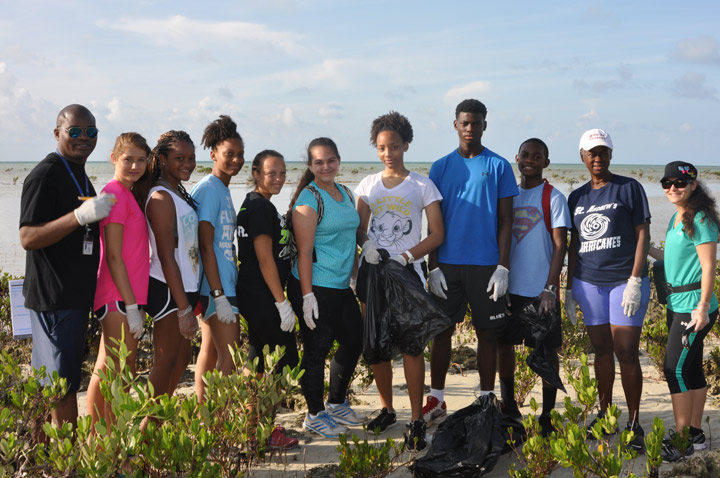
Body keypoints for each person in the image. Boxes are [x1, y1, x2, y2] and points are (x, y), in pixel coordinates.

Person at [19, 104, 115, 426]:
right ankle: (68, 461)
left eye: (91, 132)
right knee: (61, 387)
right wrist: (77, 217)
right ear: (57, 133)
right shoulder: (45, 174)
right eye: (75, 131)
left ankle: (42, 457)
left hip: (74, 300)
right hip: (53, 299)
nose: (83, 138)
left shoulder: (78, 173)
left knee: (56, 382)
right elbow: (28, 236)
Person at [425, 99, 518, 424]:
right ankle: (436, 399)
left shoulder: (499, 166)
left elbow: (507, 220)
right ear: (455, 125)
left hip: (486, 265)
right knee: (441, 330)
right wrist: (432, 265)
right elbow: (432, 221)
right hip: (448, 264)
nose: (470, 128)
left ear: (484, 126)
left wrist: (503, 266)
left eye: (476, 123)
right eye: (464, 123)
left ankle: (485, 397)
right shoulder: (440, 167)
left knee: (488, 333)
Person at [354, 111, 444, 450]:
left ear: (406, 145)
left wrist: (408, 256)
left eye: (394, 146)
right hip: (374, 271)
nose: (388, 153)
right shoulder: (368, 185)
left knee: (411, 344)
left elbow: (437, 234)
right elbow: (360, 229)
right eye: (381, 147)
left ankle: (417, 418)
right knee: (376, 344)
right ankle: (387, 409)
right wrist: (368, 245)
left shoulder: (422, 185)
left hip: (406, 273)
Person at [564, 128, 650, 451]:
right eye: (591, 153)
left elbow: (643, 235)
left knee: (626, 350)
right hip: (588, 283)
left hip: (623, 282)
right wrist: (570, 288)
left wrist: (635, 280)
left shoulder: (629, 189)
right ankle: (605, 415)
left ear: (611, 155)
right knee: (601, 351)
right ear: (583, 158)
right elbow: (573, 246)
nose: (597, 158)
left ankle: (635, 423)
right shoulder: (577, 197)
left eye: (602, 152)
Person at [286, 137, 366, 438]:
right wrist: (307, 297)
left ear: (339, 160)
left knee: (354, 339)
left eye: (330, 160)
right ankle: (315, 414)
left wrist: (356, 272)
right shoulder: (308, 200)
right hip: (314, 284)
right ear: (310, 166)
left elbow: (350, 236)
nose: (325, 166)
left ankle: (336, 402)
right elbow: (305, 252)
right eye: (318, 162)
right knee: (316, 349)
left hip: (340, 284)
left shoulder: (345, 192)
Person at [495, 138, 570, 435]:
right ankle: (509, 405)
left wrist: (550, 289)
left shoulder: (553, 197)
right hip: (510, 289)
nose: (530, 160)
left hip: (541, 293)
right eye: (525, 155)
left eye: (537, 156)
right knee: (504, 345)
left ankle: (547, 416)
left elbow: (560, 246)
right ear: (517, 158)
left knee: (548, 353)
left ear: (546, 162)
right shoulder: (508, 197)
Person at [648, 162, 718, 463]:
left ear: (693, 185)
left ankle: (680, 442)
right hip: (676, 305)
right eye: (667, 183)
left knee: (673, 369)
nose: (673, 188)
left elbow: (708, 266)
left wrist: (702, 308)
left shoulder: (700, 218)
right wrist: (644, 249)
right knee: (690, 369)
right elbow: (672, 256)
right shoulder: (678, 217)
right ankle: (695, 434)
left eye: (680, 183)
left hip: (693, 308)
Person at [86, 133, 152, 427]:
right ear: (114, 159)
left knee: (121, 368)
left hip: (128, 297)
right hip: (117, 296)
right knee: (111, 369)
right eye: (128, 159)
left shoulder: (128, 194)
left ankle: (108, 438)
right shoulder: (112, 193)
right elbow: (113, 256)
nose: (135, 166)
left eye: (141, 160)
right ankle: (99, 441)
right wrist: (131, 305)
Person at [236, 149, 299, 449]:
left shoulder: (254, 203)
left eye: (283, 172)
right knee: (282, 361)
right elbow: (264, 259)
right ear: (257, 174)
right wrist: (281, 302)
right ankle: (267, 431)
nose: (278, 178)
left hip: (253, 293)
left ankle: (254, 431)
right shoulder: (260, 208)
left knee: (256, 360)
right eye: (271, 172)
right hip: (262, 294)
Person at [144, 130, 200, 401]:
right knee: (165, 362)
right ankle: (147, 428)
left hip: (184, 285)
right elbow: (166, 256)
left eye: (191, 158)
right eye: (180, 158)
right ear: (163, 160)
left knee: (182, 359)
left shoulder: (175, 190)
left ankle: (158, 421)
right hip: (167, 287)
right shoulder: (160, 197)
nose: (188, 164)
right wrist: (183, 308)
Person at [191, 116, 243, 403]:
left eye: (239, 155)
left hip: (220, 285)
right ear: (213, 155)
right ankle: (218, 422)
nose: (236, 160)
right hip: (217, 288)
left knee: (210, 354)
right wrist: (219, 294)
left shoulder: (221, 188)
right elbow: (205, 245)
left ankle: (203, 418)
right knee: (229, 359)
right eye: (229, 154)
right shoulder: (209, 189)